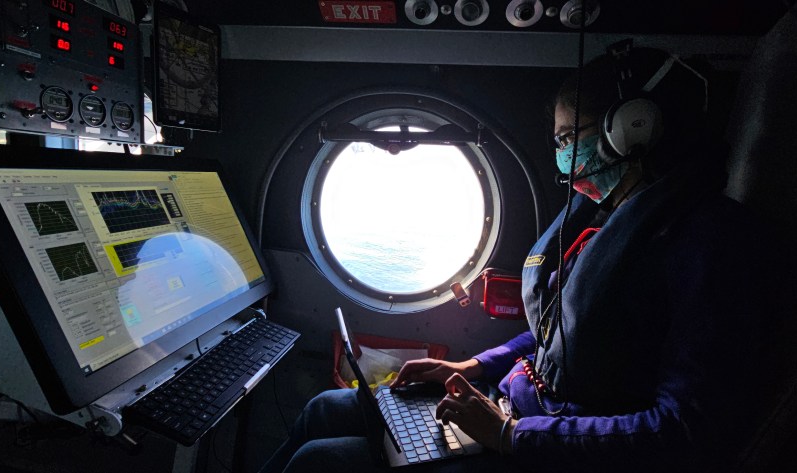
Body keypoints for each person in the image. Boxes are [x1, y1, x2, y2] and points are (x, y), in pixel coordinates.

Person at [259, 46, 771, 473]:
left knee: (321, 462)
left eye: (572, 138)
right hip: (507, 412)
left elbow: (683, 432)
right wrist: (471, 364)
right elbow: (559, 332)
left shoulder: (712, 243)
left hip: (541, 445)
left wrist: (511, 435)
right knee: (324, 409)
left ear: (633, 129)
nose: (564, 157)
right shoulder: (607, 222)